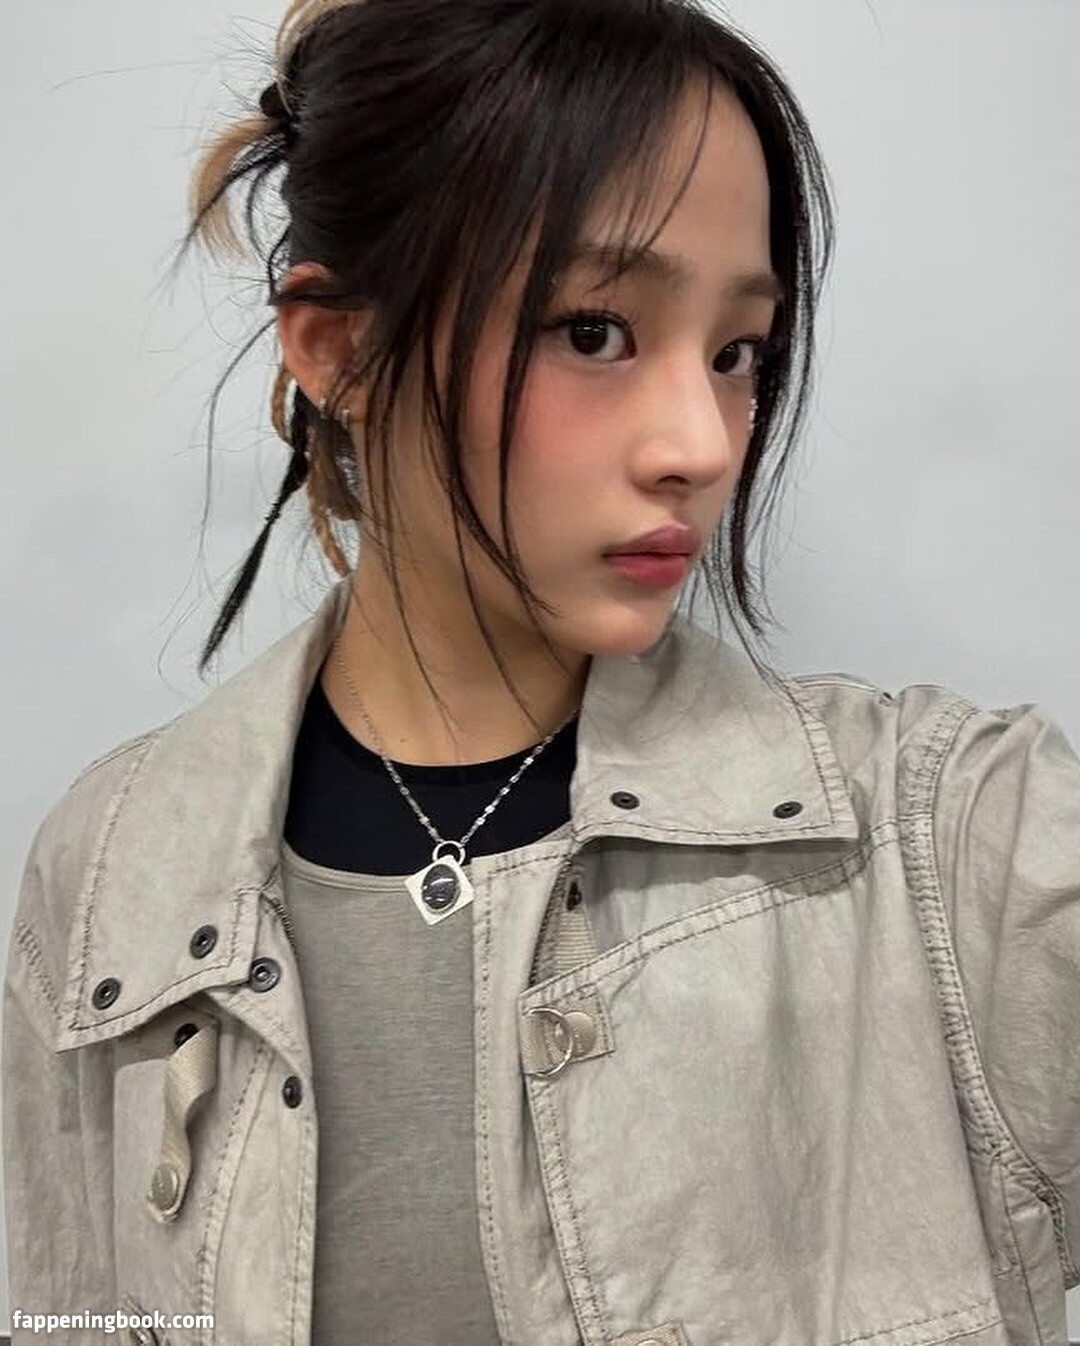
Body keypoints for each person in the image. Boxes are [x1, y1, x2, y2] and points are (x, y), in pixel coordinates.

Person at [4, 1, 1078, 1343]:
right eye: (595, 330)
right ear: (337, 348)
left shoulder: (942, 841)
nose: (703, 443)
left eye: (738, 353)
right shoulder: (112, 878)